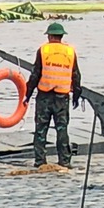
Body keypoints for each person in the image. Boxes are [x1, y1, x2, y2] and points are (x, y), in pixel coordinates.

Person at [31, 21, 80, 167]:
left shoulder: (43, 50)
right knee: (62, 129)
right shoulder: (70, 52)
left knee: (40, 129)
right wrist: (76, 95)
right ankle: (64, 161)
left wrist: (27, 94)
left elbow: (35, 74)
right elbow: (76, 75)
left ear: (50, 36)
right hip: (62, 98)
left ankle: (40, 161)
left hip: (44, 96)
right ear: (61, 36)